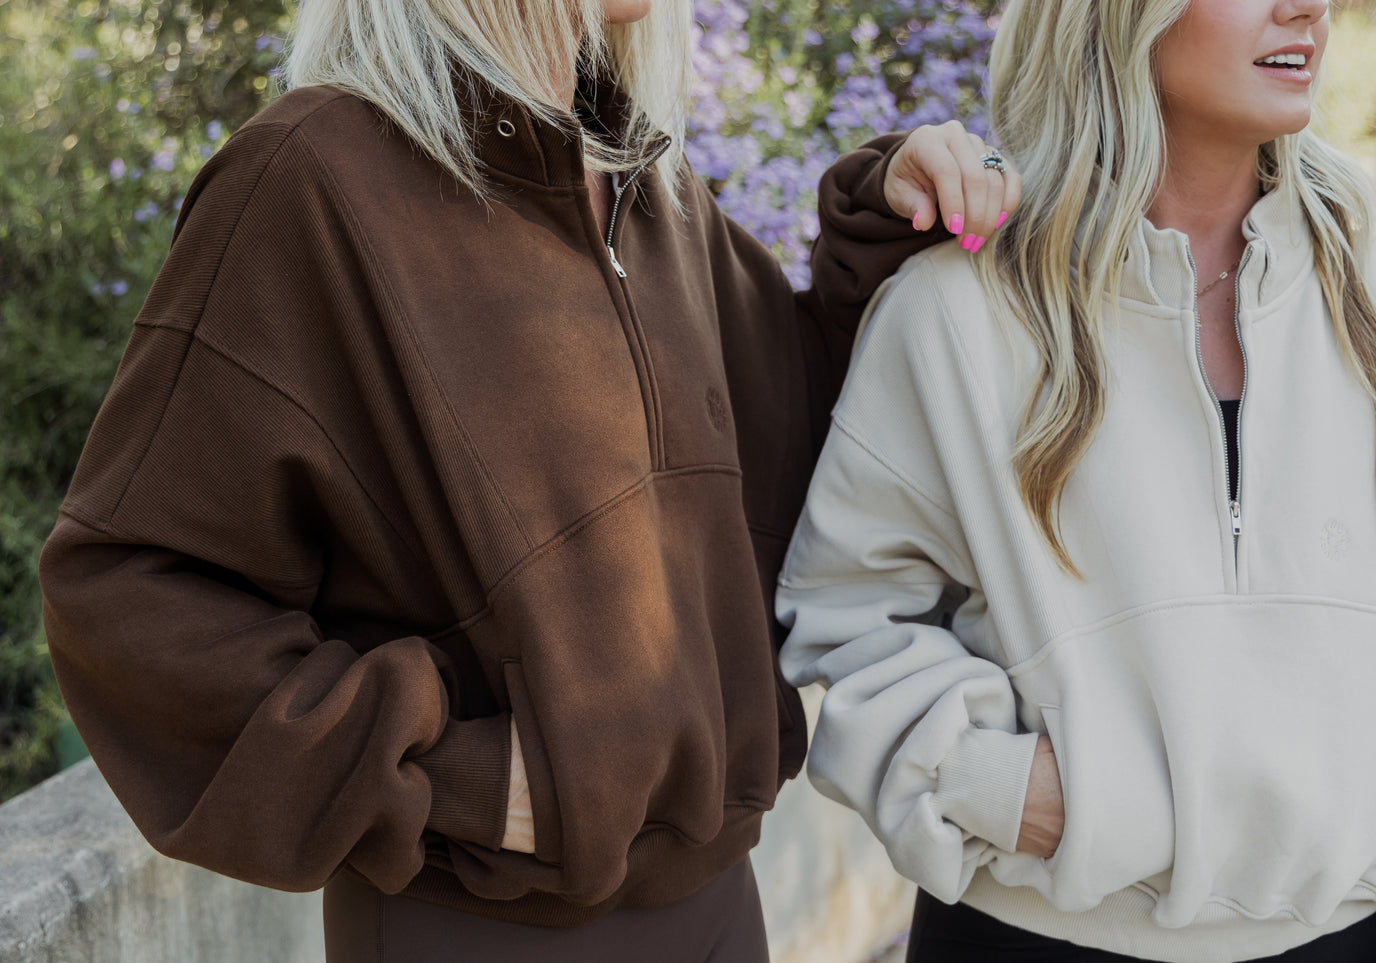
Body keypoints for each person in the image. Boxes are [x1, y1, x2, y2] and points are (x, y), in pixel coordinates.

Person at [36, 0, 1022, 959]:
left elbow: (798, 461)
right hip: (481, 925)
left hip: (720, 904)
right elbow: (130, 590)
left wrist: (890, 220)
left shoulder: (650, 189)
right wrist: (446, 780)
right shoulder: (311, 179)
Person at [775, 0, 1376, 960]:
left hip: (1342, 936)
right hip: (1035, 936)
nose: (1306, 7)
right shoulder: (955, 314)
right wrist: (1006, 789)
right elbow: (847, 610)